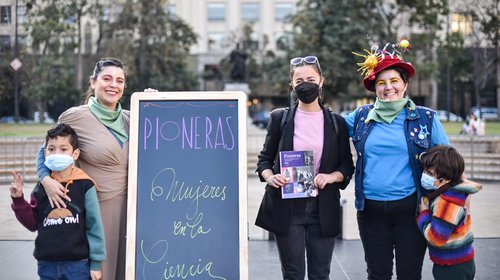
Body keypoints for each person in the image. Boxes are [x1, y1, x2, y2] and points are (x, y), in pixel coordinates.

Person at [345, 40, 450, 280]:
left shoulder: (426, 119)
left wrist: (456, 200)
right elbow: (327, 127)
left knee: (409, 274)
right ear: (374, 88)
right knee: (377, 274)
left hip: (411, 212)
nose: (388, 87)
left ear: (404, 84)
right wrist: (292, 114)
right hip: (370, 212)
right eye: (381, 83)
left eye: (394, 81)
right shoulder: (361, 117)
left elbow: (450, 163)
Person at [255, 55, 355, 279]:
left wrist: (331, 177)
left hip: (323, 207)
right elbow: (264, 160)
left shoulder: (336, 123)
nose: (305, 84)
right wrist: (270, 176)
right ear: (292, 84)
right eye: (299, 81)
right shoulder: (280, 119)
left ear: (321, 81)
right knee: (293, 273)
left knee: (320, 274)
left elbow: (347, 166)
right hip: (288, 208)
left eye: (310, 78)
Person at [36, 58, 129, 280]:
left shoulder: (132, 118)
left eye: (119, 80)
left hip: (134, 210)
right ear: (93, 82)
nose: (113, 85)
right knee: (100, 272)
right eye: (106, 79)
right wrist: (45, 180)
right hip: (98, 207)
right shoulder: (75, 117)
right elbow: (45, 151)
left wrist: (152, 101)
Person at [10, 123, 105, 280]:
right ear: (45, 153)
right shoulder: (41, 187)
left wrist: (96, 263)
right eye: (51, 149)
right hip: (46, 264)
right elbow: (32, 224)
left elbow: (94, 226)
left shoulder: (85, 185)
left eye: (63, 149)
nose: (56, 153)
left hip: (77, 265)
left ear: (75, 154)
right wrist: (18, 199)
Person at [417, 145, 481, 280]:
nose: (425, 176)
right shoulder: (453, 192)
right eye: (424, 171)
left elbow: (437, 238)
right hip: (461, 262)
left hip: (451, 267)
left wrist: (423, 214)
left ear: (445, 179)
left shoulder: (447, 201)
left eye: (430, 174)